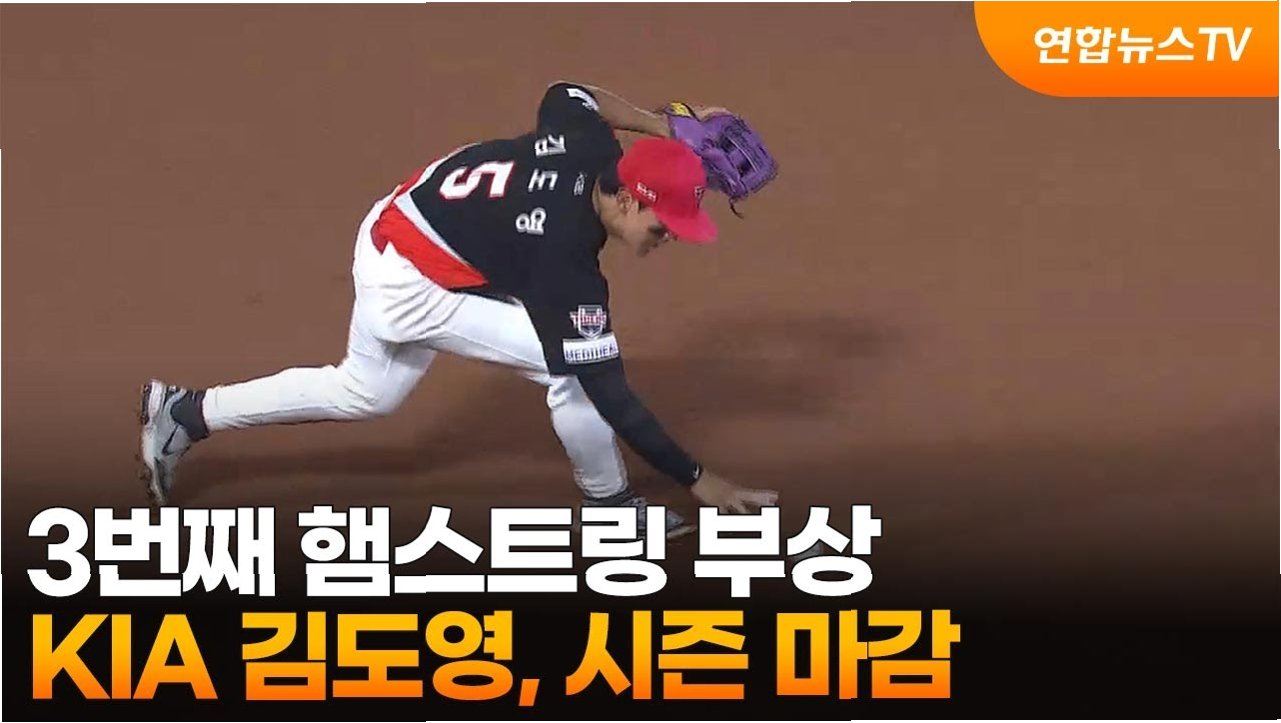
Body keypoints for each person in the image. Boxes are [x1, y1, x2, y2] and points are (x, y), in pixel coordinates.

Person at [139, 81, 779, 537]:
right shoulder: (564, 264)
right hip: (411, 282)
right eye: (665, 225)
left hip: (406, 221)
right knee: (576, 373)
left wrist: (663, 126)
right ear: (629, 201)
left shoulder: (590, 146)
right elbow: (612, 393)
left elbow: (569, 92)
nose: (669, 238)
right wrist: (700, 479)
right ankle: (610, 510)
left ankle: (186, 412)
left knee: (366, 392)